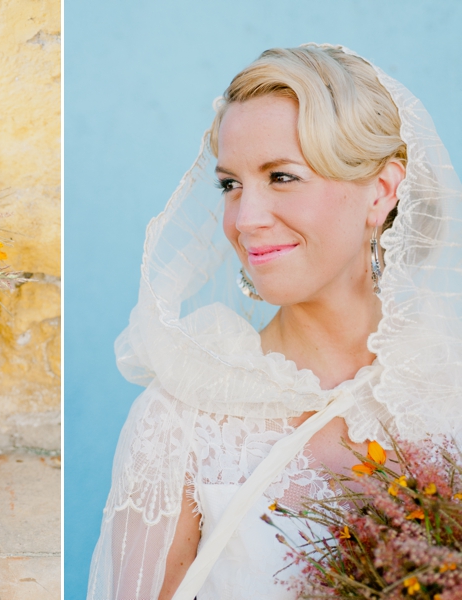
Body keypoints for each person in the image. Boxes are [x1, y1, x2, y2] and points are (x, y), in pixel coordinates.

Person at [87, 44, 462, 600]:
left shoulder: (448, 390)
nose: (245, 219)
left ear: (381, 191)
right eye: (230, 184)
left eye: (281, 177)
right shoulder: (181, 422)